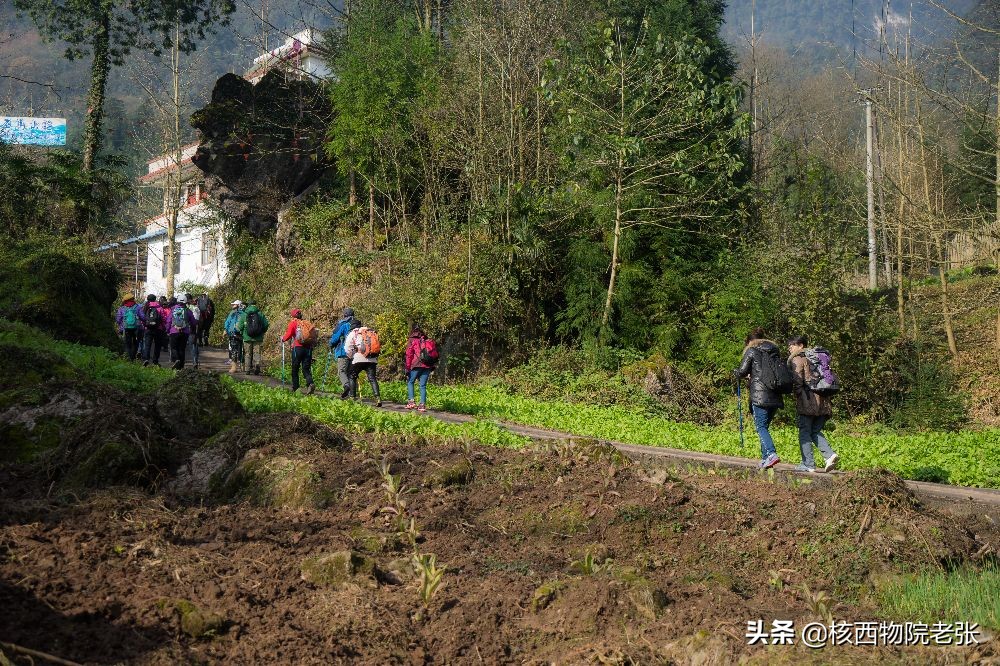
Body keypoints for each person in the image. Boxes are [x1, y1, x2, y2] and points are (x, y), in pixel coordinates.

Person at [787, 335, 840, 473]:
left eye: (792, 345)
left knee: (804, 432)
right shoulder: (818, 358)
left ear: (801, 346)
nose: (790, 348)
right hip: (823, 400)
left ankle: (808, 464)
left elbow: (798, 382)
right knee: (815, 431)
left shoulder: (799, 359)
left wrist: (798, 396)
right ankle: (829, 455)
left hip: (808, 401)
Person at [734, 327, 784, 470]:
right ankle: (765, 459)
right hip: (776, 394)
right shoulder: (774, 352)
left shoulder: (752, 350)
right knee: (764, 427)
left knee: (760, 427)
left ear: (750, 341)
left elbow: (742, 371)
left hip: (760, 396)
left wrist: (736, 372)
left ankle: (771, 454)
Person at [344, 318, 381, 406]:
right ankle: (378, 398)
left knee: (352, 376)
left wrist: (350, 356)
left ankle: (352, 397)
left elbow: (347, 347)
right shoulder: (370, 332)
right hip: (372, 358)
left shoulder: (354, 333)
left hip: (358, 358)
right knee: (372, 378)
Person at [281, 308, 317, 394]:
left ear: (293, 316)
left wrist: (283, 338)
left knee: (295, 368)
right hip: (308, 348)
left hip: (297, 348)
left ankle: (296, 388)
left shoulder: (293, 323)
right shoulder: (307, 323)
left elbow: (288, 335)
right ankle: (310, 383)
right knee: (306, 368)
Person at [404, 326, 437, 413]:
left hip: (416, 365)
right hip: (427, 366)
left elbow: (409, 355)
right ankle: (422, 405)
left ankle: (411, 401)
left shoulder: (414, 341)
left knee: (411, 382)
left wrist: (407, 367)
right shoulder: (429, 342)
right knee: (423, 386)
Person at [328, 307, 356, 399]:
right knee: (350, 373)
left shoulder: (343, 324)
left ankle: (346, 386)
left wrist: (331, 344)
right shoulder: (357, 325)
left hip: (343, 352)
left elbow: (335, 338)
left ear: (345, 315)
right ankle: (351, 395)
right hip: (355, 353)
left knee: (341, 371)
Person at [238, 300, 269, 374]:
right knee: (257, 353)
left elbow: (240, 326)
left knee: (247, 353)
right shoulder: (260, 314)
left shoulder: (244, 314)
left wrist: (242, 333)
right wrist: (262, 332)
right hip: (258, 337)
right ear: (255, 305)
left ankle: (247, 369)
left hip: (247, 337)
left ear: (248, 305)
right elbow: (266, 325)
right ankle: (256, 365)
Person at [167, 294, 197, 370]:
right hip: (185, 332)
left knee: (173, 347)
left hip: (174, 331)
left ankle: (176, 360)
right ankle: (181, 366)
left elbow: (169, 321)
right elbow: (193, 322)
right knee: (182, 349)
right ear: (186, 302)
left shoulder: (173, 309)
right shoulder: (188, 310)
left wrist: (167, 330)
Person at [115, 295, 143, 362]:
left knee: (128, 344)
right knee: (136, 343)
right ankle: (133, 357)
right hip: (136, 328)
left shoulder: (122, 308)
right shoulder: (138, 307)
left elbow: (118, 319)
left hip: (126, 328)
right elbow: (143, 317)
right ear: (132, 299)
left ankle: (130, 358)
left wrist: (121, 325)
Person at [140, 294, 166, 366]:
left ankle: (146, 359)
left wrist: (145, 325)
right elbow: (163, 318)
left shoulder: (145, 307)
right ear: (155, 299)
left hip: (148, 328)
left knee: (147, 344)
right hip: (158, 329)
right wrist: (164, 327)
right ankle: (155, 361)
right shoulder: (159, 307)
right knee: (157, 345)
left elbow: (142, 318)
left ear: (148, 299)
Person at [224, 300, 244, 373]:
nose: (232, 306)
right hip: (242, 334)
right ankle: (243, 366)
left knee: (234, 351)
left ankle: (234, 367)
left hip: (233, 334)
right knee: (242, 350)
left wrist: (226, 330)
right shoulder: (244, 313)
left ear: (238, 305)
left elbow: (227, 322)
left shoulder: (232, 313)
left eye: (234, 305)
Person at [186, 293, 201, 369]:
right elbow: (197, 320)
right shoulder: (196, 308)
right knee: (194, 345)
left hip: (186, 329)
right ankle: (195, 361)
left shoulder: (186, 308)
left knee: (191, 345)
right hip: (194, 328)